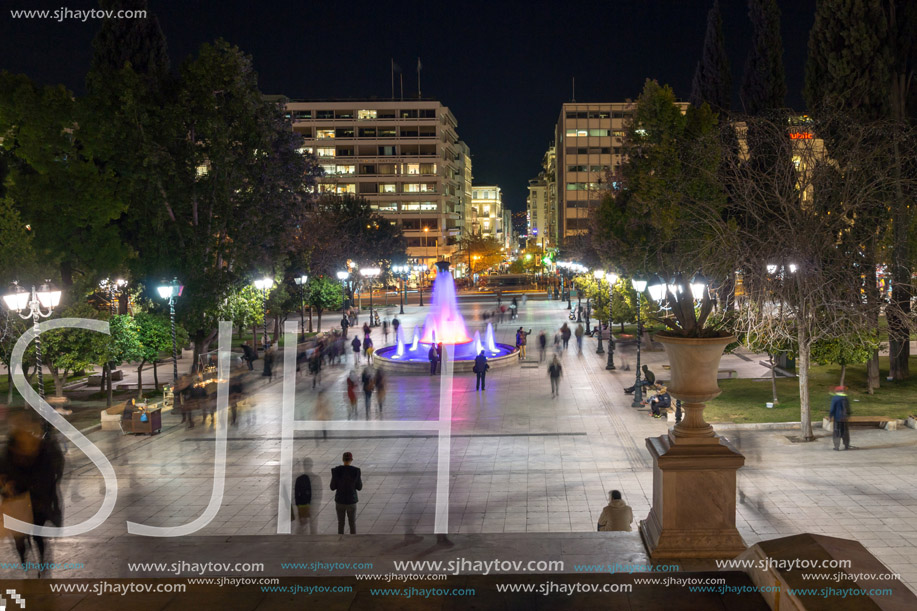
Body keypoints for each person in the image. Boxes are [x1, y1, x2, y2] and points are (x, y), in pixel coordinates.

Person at [0, 416, 64, 573]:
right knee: (19, 539)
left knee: (37, 535)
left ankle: (42, 561)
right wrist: (5, 486)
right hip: (16, 501)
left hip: (37, 502)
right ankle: (24, 558)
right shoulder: (8, 452)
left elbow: (50, 475)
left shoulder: (42, 450)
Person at [330, 452, 362, 535]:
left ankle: (340, 542)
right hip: (351, 501)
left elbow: (332, 487)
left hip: (340, 501)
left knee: (341, 523)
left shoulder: (336, 471)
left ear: (342, 459)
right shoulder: (356, 471)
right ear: (351, 460)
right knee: (352, 524)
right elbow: (359, 487)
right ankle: (353, 542)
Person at [293, 458, 321, 534]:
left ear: (303, 466)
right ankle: (313, 541)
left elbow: (296, 495)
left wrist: (298, 506)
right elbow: (319, 493)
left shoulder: (299, 479)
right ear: (312, 466)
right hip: (314, 505)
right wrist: (317, 504)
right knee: (314, 526)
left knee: (302, 527)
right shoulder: (317, 478)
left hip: (303, 505)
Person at [829, 386, 851, 451]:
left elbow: (832, 408)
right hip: (844, 418)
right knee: (845, 432)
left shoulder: (835, 398)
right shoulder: (845, 398)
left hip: (837, 418)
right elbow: (848, 408)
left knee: (836, 432)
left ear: (837, 392)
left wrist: (830, 416)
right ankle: (846, 445)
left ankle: (836, 446)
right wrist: (848, 415)